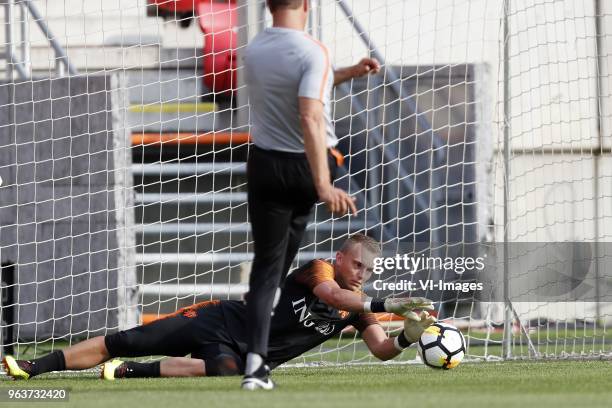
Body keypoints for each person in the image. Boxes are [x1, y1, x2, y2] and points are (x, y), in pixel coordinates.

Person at [3, 234, 435, 386]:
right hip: (218, 319)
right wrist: (392, 304)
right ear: (341, 257)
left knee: (230, 372)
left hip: (244, 353)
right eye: (357, 263)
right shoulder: (318, 271)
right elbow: (335, 297)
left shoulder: (361, 307)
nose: (361, 273)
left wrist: (408, 336)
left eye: (369, 269)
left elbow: (381, 349)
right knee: (126, 340)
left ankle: (134, 373)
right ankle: (31, 367)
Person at [242, 0, 382, 389]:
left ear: (268, 5)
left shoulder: (253, 50)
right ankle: (265, 324)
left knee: (267, 271)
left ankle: (255, 366)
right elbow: (309, 113)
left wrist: (348, 74)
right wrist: (322, 184)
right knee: (281, 261)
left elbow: (303, 89)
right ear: (306, 4)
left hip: (264, 165)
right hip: (308, 167)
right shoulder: (312, 50)